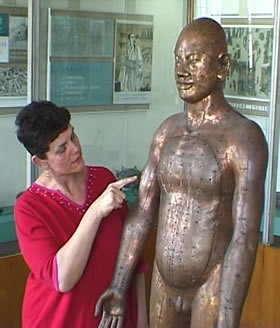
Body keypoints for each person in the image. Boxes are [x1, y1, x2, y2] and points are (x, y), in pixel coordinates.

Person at [95, 17, 268, 328]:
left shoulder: (244, 138)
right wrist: (118, 285)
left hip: (212, 281)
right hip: (164, 279)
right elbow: (143, 213)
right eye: (178, 59)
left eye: (194, 58)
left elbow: (244, 236)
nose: (182, 70)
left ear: (222, 65)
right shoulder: (167, 132)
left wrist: (227, 319)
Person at [14, 101, 149, 328]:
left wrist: (143, 321)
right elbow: (62, 278)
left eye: (73, 137)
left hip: (114, 317)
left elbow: (133, 255)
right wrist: (95, 211)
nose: (75, 149)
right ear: (41, 162)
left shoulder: (104, 179)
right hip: (58, 319)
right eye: (61, 148)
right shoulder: (29, 208)